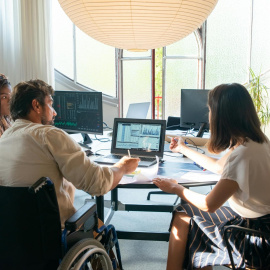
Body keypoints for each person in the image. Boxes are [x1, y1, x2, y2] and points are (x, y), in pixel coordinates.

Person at [153, 83, 270, 270]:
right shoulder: (256, 141)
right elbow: (217, 166)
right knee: (185, 214)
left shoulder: (242, 154)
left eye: (210, 110)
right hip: (259, 223)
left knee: (188, 219)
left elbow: (209, 205)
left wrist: (175, 188)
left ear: (222, 116)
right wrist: (183, 148)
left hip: (255, 237)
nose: (209, 115)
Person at [0, 79, 140, 226]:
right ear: (36, 105)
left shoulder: (4, 139)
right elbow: (97, 184)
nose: (54, 113)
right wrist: (123, 167)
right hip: (54, 234)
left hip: (12, 236)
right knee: (103, 228)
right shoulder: (50, 135)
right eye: (50, 104)